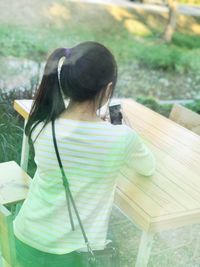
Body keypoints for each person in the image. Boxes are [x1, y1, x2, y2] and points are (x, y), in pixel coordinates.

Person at [13, 41, 156, 267]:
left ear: (65, 81)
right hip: (73, 257)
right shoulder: (121, 138)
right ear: (108, 89)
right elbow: (148, 167)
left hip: (26, 241)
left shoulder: (40, 124)